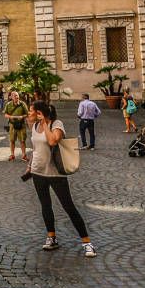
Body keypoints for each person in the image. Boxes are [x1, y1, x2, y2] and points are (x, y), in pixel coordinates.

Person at [25, 101, 96, 257]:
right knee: (45, 206)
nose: (28, 113)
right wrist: (30, 165)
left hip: (56, 173)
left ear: (39, 113)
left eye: (31, 111)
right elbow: (36, 148)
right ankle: (51, 237)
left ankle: (87, 242)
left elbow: (52, 141)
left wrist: (44, 123)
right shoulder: (34, 126)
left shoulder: (56, 124)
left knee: (69, 207)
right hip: (38, 173)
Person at [4, 91, 29, 162]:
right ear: (11, 97)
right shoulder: (8, 105)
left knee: (23, 140)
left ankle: (24, 155)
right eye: (15, 96)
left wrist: (22, 116)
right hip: (12, 125)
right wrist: (11, 116)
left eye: (17, 96)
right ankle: (12, 155)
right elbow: (5, 115)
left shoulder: (22, 104)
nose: (17, 97)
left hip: (21, 124)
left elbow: (27, 114)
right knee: (12, 140)